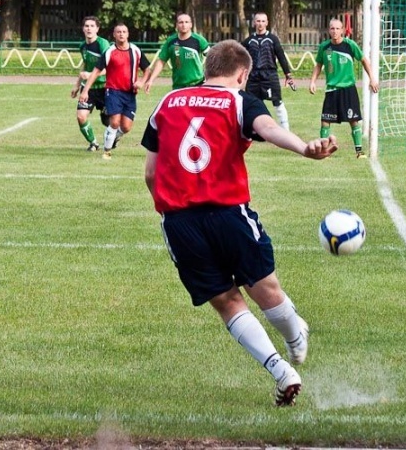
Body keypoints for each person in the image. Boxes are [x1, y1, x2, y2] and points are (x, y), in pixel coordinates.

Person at [142, 40, 337, 406]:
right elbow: (266, 127)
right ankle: (295, 336)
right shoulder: (239, 100)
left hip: (180, 221)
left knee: (226, 301)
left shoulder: (167, 102)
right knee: (264, 287)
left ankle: (282, 371)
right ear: (243, 73)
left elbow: (151, 172)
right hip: (230, 213)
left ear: (206, 68)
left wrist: (168, 211)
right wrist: (303, 148)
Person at [308, 18, 379, 158]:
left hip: (348, 89)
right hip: (332, 89)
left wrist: (372, 78)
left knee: (354, 120)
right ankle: (323, 151)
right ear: (329, 30)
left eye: (337, 28)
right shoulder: (324, 47)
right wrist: (312, 81)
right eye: (332, 28)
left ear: (342, 30)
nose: (335, 31)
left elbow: (364, 60)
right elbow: (318, 65)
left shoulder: (350, 45)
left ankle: (359, 151)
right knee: (325, 120)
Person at [78, 22, 150, 160]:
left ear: (128, 34)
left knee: (126, 127)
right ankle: (107, 151)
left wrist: (141, 82)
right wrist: (85, 90)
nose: (121, 34)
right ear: (114, 35)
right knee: (115, 122)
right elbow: (95, 71)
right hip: (113, 91)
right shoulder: (110, 51)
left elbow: (147, 69)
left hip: (130, 93)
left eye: (124, 31)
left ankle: (114, 137)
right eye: (118, 32)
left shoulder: (136, 50)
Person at [242, 11, 296, 130]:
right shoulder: (249, 41)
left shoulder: (272, 39)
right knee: (251, 104)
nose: (260, 24)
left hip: (270, 75)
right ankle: (251, 130)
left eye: (263, 21)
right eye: (258, 21)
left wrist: (288, 74)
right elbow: (240, 56)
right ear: (254, 23)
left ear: (267, 23)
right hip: (254, 76)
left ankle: (285, 130)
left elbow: (281, 56)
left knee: (277, 102)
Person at [70, 16, 110, 151]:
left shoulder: (103, 44)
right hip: (88, 88)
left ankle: (110, 135)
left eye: (92, 26)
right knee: (81, 116)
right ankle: (93, 143)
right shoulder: (82, 46)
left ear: (97, 29)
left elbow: (109, 68)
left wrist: (92, 75)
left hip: (104, 88)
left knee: (109, 121)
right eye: (86, 26)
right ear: (83, 28)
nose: (89, 28)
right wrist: (77, 85)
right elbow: (85, 66)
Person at [142, 13, 209, 92]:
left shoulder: (199, 40)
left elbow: (212, 58)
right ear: (177, 25)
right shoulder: (170, 41)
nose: (184, 25)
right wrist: (151, 80)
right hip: (178, 86)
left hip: (198, 84)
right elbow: (161, 61)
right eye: (181, 22)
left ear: (191, 24)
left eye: (186, 22)